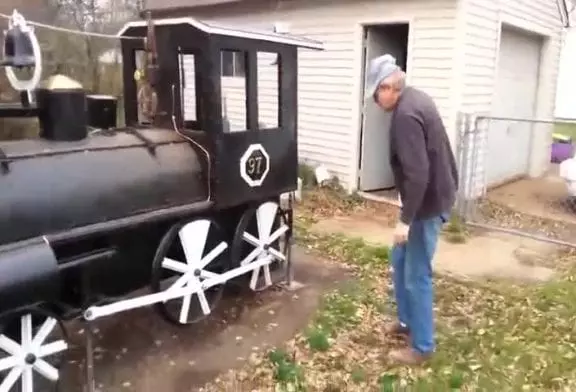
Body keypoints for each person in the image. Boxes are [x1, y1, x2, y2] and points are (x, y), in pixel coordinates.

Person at [364, 54, 459, 365]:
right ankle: (407, 323)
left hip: (427, 205)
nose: (376, 99)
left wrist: (405, 220)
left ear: (390, 86)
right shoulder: (416, 99)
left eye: (377, 92)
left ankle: (422, 347)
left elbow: (418, 174)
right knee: (399, 258)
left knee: (416, 275)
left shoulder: (406, 115)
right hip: (430, 197)